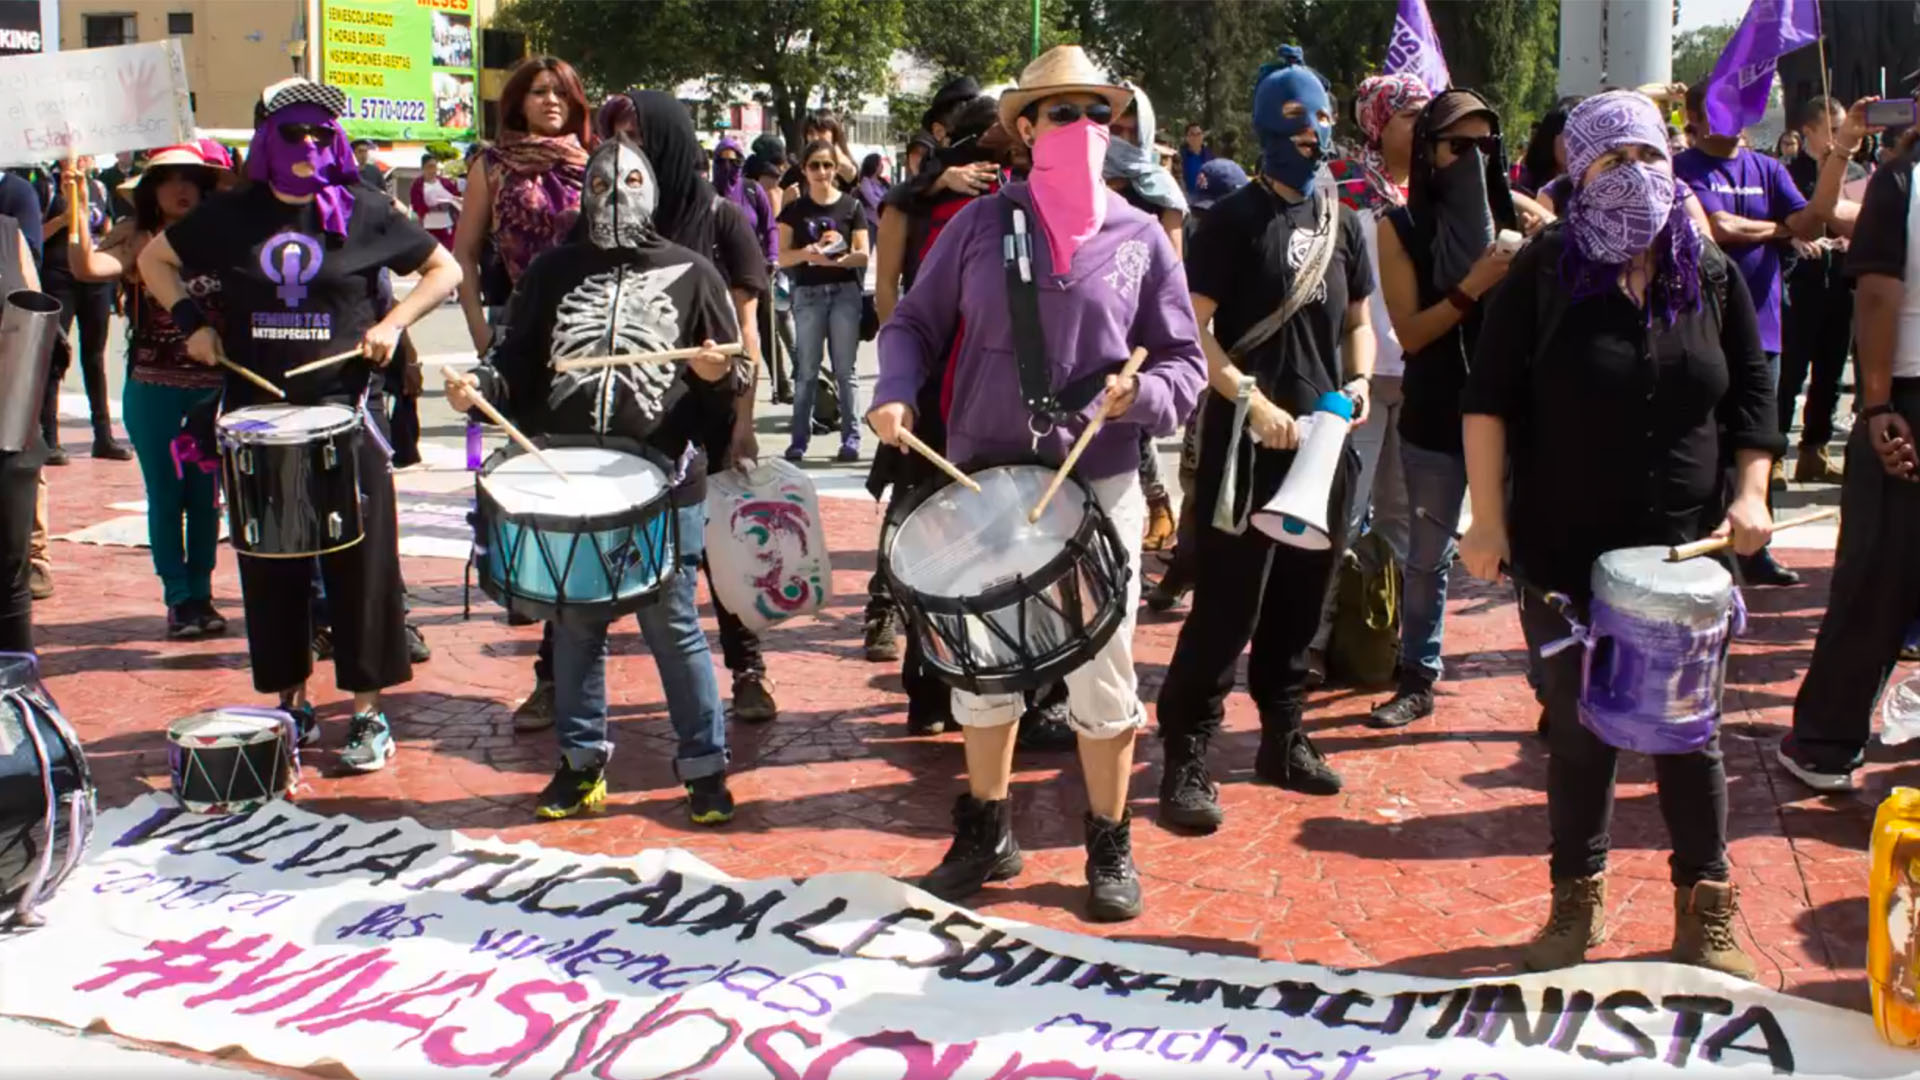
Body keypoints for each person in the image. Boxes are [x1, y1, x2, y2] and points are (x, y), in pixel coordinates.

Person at [868, 46, 1205, 921]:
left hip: (1097, 485)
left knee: (1104, 670)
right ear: (1023, 127)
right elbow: (910, 322)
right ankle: (989, 832)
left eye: (1099, 112)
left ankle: (1108, 840)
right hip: (983, 482)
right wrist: (895, 395)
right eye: (1064, 112)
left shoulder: (1140, 236)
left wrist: (1143, 395)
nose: (1086, 128)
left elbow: (1183, 364)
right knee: (983, 668)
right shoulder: (980, 226)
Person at [1458, 90, 1777, 978]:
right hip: (1567, 553)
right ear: (1578, 174)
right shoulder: (1547, 267)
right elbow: (1487, 401)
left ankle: (1704, 910)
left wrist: (1751, 495)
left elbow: (1752, 394)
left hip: (1687, 555)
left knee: (1690, 736)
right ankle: (1576, 905)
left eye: (1648, 158)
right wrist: (1486, 518)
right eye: (1611, 162)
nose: (1635, 178)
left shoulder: (1706, 269)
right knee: (1580, 732)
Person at [137, 77, 463, 771]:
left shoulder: (366, 210)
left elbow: (445, 268)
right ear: (266, 142)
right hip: (262, 416)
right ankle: (294, 701)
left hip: (347, 412)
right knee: (274, 564)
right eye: (294, 134)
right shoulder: (233, 216)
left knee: (364, 567)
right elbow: (153, 259)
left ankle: (369, 713)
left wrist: (392, 324)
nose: (311, 145)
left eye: (322, 133)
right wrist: (193, 326)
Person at [445, 136, 746, 824]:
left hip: (665, 483)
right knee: (576, 629)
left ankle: (705, 767)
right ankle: (581, 764)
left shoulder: (697, 274)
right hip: (571, 476)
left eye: (631, 182)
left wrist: (714, 378)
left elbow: (726, 396)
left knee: (674, 628)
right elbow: (517, 363)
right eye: (603, 186)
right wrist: (480, 388)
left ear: (656, 190)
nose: (616, 197)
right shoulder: (551, 273)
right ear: (585, 195)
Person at [1156, 46, 1377, 833]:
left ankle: (1284, 737)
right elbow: (1193, 329)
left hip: (1323, 443)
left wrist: (1354, 387)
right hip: (1246, 446)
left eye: (1321, 118)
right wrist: (1245, 398)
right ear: (1265, 130)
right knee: (1226, 606)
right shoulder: (1230, 222)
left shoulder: (1344, 224)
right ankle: (1186, 751)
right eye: (1297, 121)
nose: (1314, 135)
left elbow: (1359, 328)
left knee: (1301, 600)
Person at [1366, 89, 1519, 730]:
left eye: (1486, 147)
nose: (1472, 161)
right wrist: (1472, 287)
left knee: (1531, 556)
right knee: (1426, 557)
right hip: (1434, 411)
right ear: (1429, 152)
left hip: (1510, 416)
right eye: (1458, 146)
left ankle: (1552, 685)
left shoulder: (1518, 228)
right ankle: (1417, 677)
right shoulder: (1398, 228)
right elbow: (1411, 333)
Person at [1779, 115, 1920, 794]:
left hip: (1906, 401)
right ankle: (1828, 741)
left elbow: (1877, 297)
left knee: (1876, 574)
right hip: (1905, 398)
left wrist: (1876, 405)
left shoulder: (1900, 183)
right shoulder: (1895, 184)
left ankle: (1827, 742)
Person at [64, 145, 229, 638]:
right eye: (168, 179)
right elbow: (87, 268)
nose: (181, 189)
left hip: (212, 391)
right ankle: (178, 598)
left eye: (191, 179)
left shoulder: (229, 237)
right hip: (153, 387)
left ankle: (202, 593)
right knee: (165, 493)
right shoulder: (137, 238)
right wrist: (74, 194)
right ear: (151, 190)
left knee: (206, 497)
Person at [1676, 82, 1835, 587]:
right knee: (1704, 440)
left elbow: (1809, 220)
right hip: (1700, 330)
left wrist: (1841, 155)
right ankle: (1704, 539)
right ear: (1695, 117)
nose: (1738, 117)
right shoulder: (1683, 171)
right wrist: (1781, 228)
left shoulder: (1769, 169)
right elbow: (1721, 228)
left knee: (1757, 437)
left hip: (1761, 332)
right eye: (1723, 108)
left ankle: (1754, 550)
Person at [1145, 155, 1250, 614]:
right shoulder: (1196, 241)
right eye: (1200, 211)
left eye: (1214, 210)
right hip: (1206, 376)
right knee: (1196, 476)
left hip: (1243, 376)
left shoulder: (1253, 235)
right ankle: (1187, 564)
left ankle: (1199, 567)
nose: (1205, 222)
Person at [454, 56, 594, 353]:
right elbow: (465, 253)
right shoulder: (492, 166)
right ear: (520, 102)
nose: (552, 100)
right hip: (516, 321)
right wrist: (479, 331)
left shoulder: (597, 163)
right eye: (540, 92)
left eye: (562, 92)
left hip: (591, 319)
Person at [1104, 84, 1188, 555]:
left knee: (1129, 419)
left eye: (1130, 131)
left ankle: (1157, 501)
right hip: (1095, 314)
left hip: (1139, 325)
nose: (1120, 137)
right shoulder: (1085, 181)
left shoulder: (1161, 192)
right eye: (1113, 128)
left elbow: (1173, 270)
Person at [1780, 97, 1866, 484]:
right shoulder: (1787, 173)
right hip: (1801, 286)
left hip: (1843, 284)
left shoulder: (1858, 171)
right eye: (1830, 129)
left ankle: (1814, 448)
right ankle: (1776, 451)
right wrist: (1796, 240)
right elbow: (1783, 223)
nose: (1837, 137)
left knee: (1830, 373)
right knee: (1791, 372)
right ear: (1808, 132)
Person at [777, 140, 868, 463]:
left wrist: (836, 260)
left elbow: (862, 253)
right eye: (814, 165)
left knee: (846, 371)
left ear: (835, 169)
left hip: (844, 292)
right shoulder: (794, 210)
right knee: (806, 371)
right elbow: (783, 256)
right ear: (804, 169)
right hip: (808, 294)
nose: (821, 172)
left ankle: (851, 439)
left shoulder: (851, 207)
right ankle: (799, 441)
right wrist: (807, 253)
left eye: (827, 165)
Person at [38, 157, 128, 462]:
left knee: (95, 357)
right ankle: (49, 438)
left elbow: (106, 227)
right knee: (54, 355)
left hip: (93, 281)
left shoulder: (98, 187)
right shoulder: (46, 186)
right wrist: (64, 220)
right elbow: (34, 234)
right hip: (58, 277)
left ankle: (103, 436)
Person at [0, 200, 44, 653]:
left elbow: (37, 329)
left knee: (11, 572)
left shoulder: (9, 234)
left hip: (10, 432)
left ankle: (14, 695)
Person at [410, 153, 462, 250]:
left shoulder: (446, 183)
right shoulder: (417, 185)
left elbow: (456, 197)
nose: (432, 170)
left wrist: (452, 202)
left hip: (446, 227)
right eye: (429, 167)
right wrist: (429, 208)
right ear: (423, 168)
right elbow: (415, 205)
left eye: (434, 167)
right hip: (429, 227)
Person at [854, 152, 889, 244]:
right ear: (874, 165)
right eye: (879, 164)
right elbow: (873, 201)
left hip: (884, 221)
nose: (882, 166)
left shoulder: (883, 182)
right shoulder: (865, 182)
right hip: (871, 222)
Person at [1179, 121, 1212, 191]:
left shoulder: (1210, 156)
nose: (1196, 137)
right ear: (1187, 137)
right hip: (1187, 198)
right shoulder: (1180, 157)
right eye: (1192, 134)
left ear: (1203, 136)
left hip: (1207, 198)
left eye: (1199, 134)